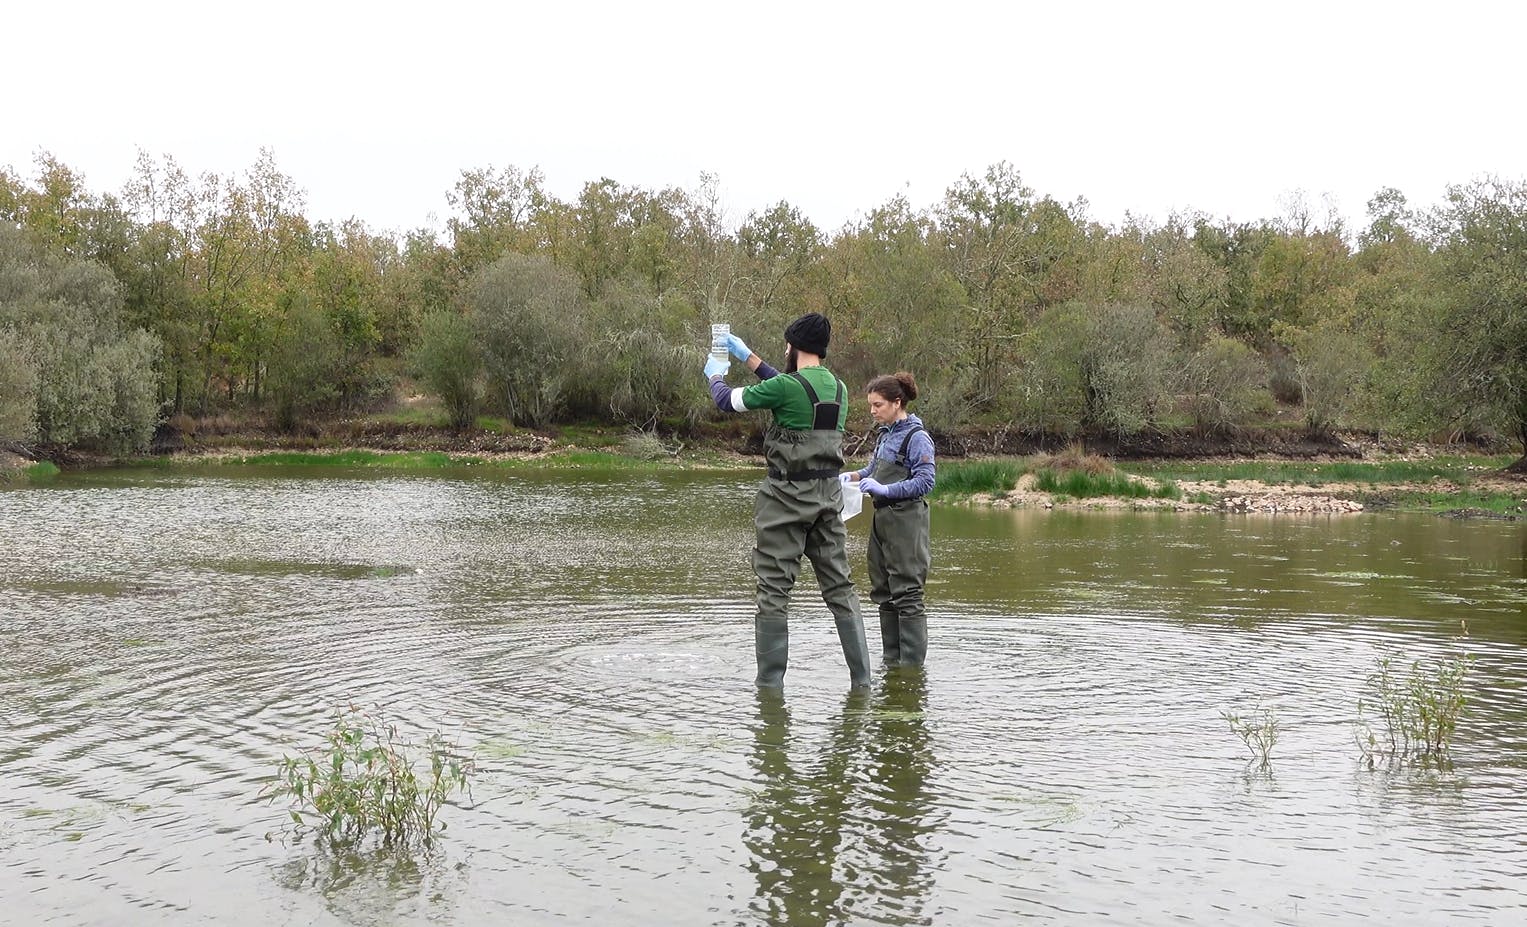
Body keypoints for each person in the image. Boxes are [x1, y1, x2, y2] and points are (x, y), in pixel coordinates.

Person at [705, 313, 872, 689]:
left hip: (785, 501)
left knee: (774, 592)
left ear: (794, 348)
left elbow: (726, 402)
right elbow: (788, 388)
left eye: (786, 346)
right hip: (828, 502)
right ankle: (863, 682)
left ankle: (769, 691)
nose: (784, 351)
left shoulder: (787, 388)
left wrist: (715, 373)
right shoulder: (839, 388)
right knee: (841, 589)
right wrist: (748, 357)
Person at [844, 372, 935, 666]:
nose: (873, 411)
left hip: (907, 520)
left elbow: (925, 481)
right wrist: (854, 476)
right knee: (883, 591)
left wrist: (886, 489)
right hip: (882, 520)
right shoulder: (885, 434)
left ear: (897, 403)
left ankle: (912, 669)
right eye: (871, 405)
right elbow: (875, 468)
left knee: (907, 594)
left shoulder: (917, 438)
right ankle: (892, 663)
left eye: (878, 405)